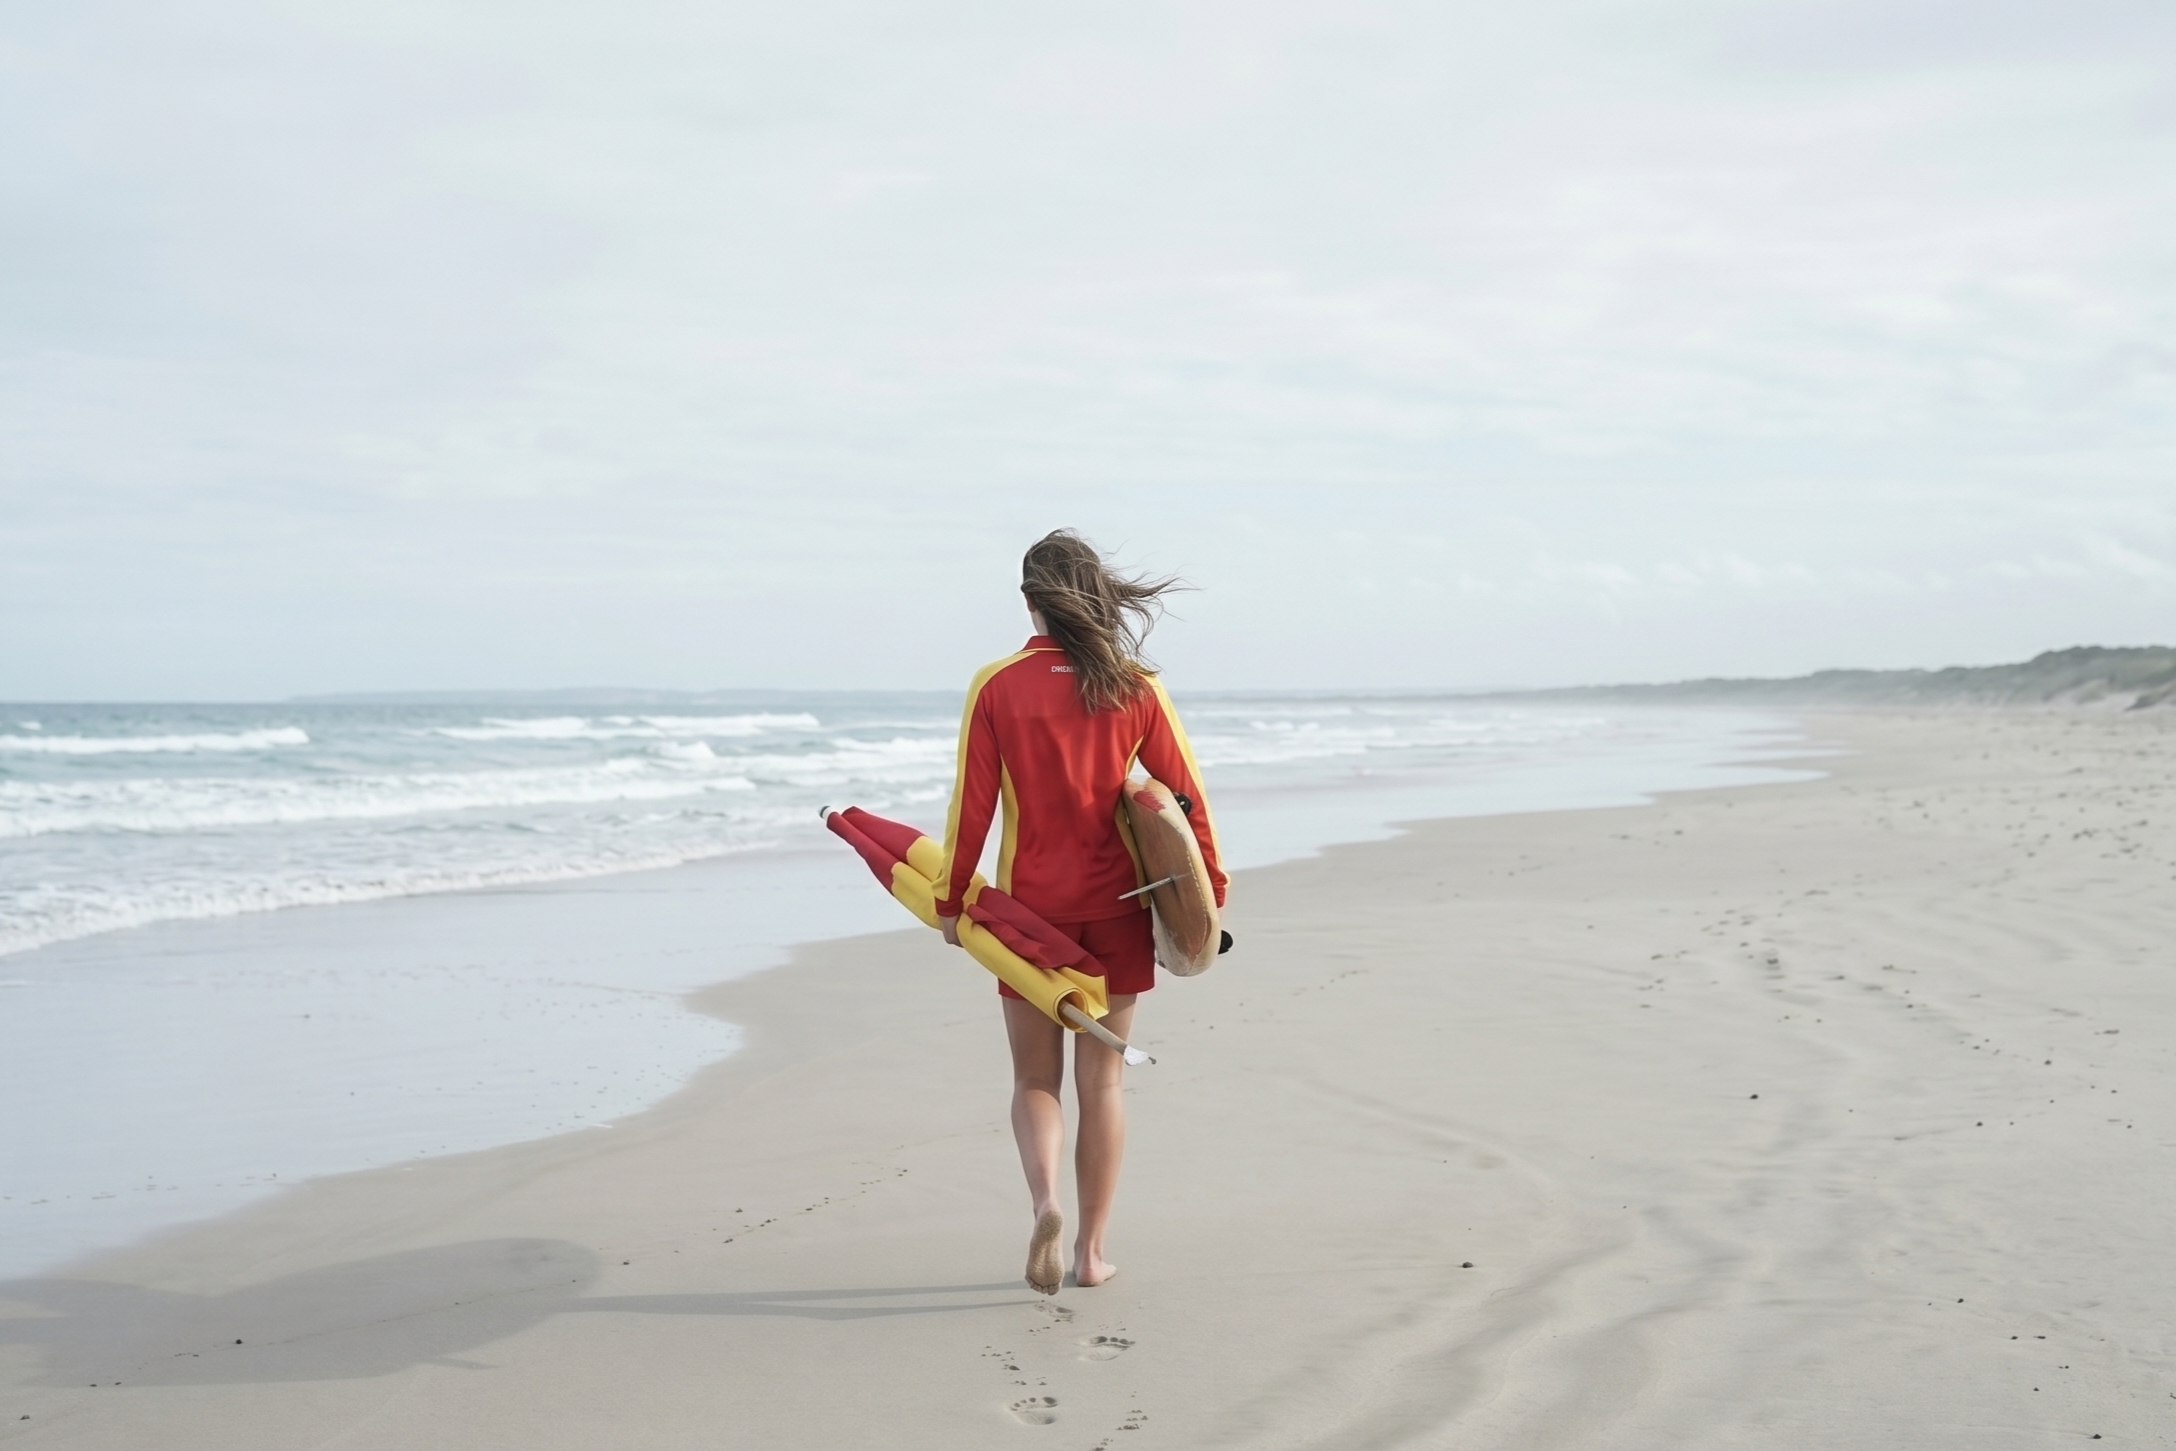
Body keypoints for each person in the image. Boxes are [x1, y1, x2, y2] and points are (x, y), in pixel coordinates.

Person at [934, 529, 1227, 1295]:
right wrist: (1209, 899)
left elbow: (973, 808)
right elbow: (1183, 802)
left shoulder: (996, 686)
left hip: (1030, 915)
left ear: (1029, 600)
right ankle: (1091, 1254)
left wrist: (949, 899)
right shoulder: (1135, 686)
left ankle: (1046, 1202)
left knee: (1036, 1077)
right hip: (1119, 911)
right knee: (1102, 1083)